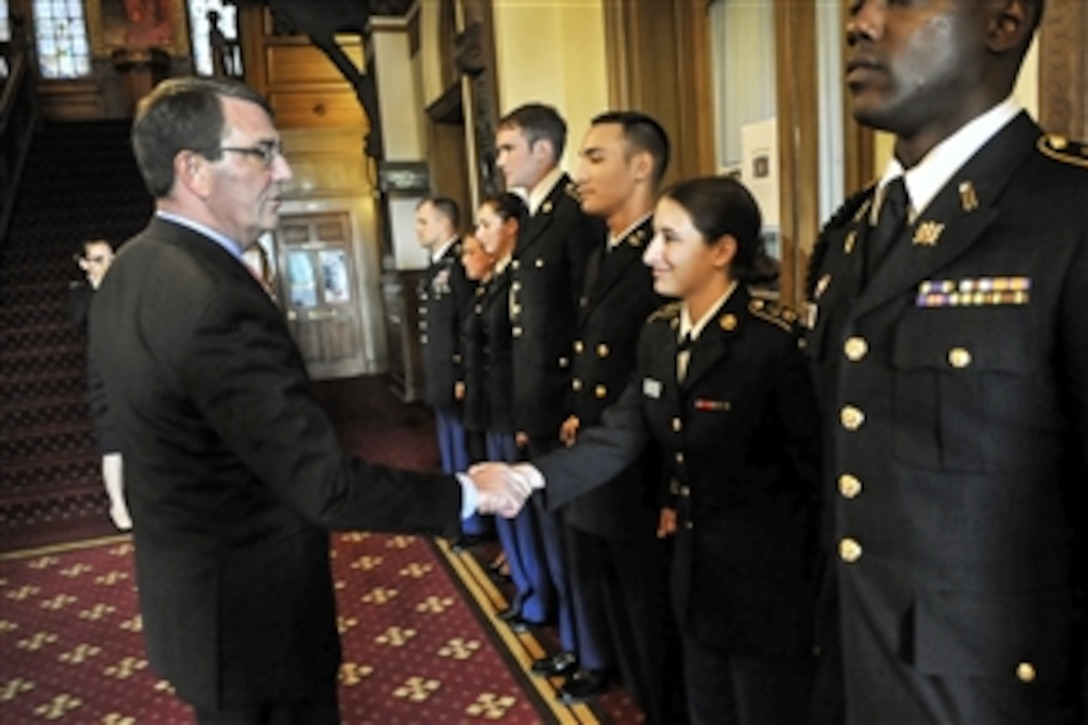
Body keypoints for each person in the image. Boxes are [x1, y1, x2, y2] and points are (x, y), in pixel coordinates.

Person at [88, 76, 527, 723]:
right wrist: (467, 491)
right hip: (254, 622)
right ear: (193, 170)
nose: (284, 170)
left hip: (194, 608)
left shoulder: (133, 265)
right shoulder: (214, 299)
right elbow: (323, 482)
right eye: (260, 152)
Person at [803, 0, 1088, 722]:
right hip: (852, 671)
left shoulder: (1068, 212)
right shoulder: (855, 232)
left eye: (898, 1)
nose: (860, 23)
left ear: (1003, 22)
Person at [474, 176, 822, 724]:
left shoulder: (774, 343)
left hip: (770, 585)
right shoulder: (660, 334)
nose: (652, 255)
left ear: (723, 251)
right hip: (693, 571)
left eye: (669, 239)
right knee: (704, 704)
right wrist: (531, 478)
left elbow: (814, 476)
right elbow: (621, 431)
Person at [532, 111, 673, 714]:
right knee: (612, 601)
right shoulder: (604, 252)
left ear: (640, 167)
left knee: (649, 614)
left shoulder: (660, 256)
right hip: (598, 458)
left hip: (639, 470)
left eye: (595, 158)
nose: (579, 173)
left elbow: (659, 380)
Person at [494, 102, 601, 652]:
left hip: (560, 403)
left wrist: (572, 406)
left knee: (569, 534)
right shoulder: (536, 214)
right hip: (535, 401)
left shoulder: (573, 214)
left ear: (543, 150)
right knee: (550, 529)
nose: (500, 160)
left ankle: (588, 649)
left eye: (508, 148)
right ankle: (572, 638)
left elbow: (583, 315)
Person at [465, 192, 555, 629]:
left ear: (512, 225)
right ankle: (526, 589)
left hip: (513, 409)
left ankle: (538, 597)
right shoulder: (497, 277)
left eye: (487, 223)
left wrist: (524, 415)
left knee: (523, 511)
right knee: (507, 510)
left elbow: (525, 353)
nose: (480, 234)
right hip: (494, 408)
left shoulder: (520, 277)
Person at [415, 196, 491, 550]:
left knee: (463, 450)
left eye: (423, 221)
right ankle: (456, 514)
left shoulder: (458, 264)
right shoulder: (435, 266)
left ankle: (471, 520)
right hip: (440, 375)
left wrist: (462, 374)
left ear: (445, 224)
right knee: (450, 449)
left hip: (456, 376)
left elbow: (466, 323)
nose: (418, 229)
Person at [69, 238, 131, 531]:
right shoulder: (81, 294)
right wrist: (98, 286)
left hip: (133, 368)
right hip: (102, 372)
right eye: (100, 258)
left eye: (110, 257)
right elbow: (80, 318)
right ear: (85, 264)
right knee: (111, 440)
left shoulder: (126, 288)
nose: (109, 263)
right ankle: (117, 503)